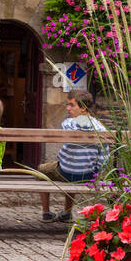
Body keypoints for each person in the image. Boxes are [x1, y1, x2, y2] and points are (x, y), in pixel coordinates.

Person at [38, 90, 107, 222]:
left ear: (83, 108)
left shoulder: (68, 123)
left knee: (42, 170)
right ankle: (67, 213)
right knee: (74, 168)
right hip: (88, 174)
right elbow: (104, 154)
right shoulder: (100, 128)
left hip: (66, 172)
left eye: (71, 105)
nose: (68, 108)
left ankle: (46, 213)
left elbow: (67, 125)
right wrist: (97, 171)